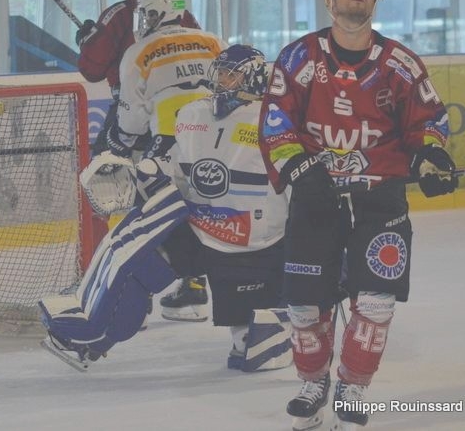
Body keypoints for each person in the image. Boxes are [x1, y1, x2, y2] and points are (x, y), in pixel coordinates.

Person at [258, 0, 457, 430]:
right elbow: (276, 120)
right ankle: (312, 382)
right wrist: (298, 165)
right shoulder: (299, 57)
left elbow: (428, 120)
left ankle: (352, 386)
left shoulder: (399, 63)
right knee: (306, 305)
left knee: (375, 303)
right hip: (316, 197)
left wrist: (432, 155)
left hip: (379, 200)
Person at [39, 45, 293, 374]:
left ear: (255, 80)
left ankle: (281, 317)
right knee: (133, 255)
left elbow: (298, 182)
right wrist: (139, 175)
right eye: (221, 71)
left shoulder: (274, 122)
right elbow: (169, 166)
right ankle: (93, 336)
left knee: (255, 348)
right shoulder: (193, 114)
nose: (222, 80)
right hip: (200, 231)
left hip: (255, 246)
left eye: (233, 74)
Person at [76, 0, 205, 314]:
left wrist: (89, 40)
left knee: (111, 184)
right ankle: (193, 280)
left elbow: (92, 67)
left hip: (140, 113)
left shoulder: (122, 12)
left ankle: (121, 287)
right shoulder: (182, 8)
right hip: (190, 120)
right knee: (183, 192)